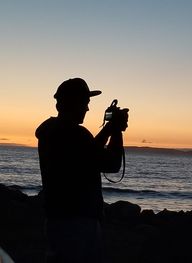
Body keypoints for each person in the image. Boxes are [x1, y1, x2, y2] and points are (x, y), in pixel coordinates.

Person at [35, 78, 128, 263]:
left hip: (57, 218)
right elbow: (111, 164)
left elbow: (87, 153)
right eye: (85, 103)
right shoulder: (76, 134)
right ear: (73, 103)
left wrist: (108, 129)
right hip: (78, 222)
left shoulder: (52, 131)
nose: (87, 108)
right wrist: (116, 132)